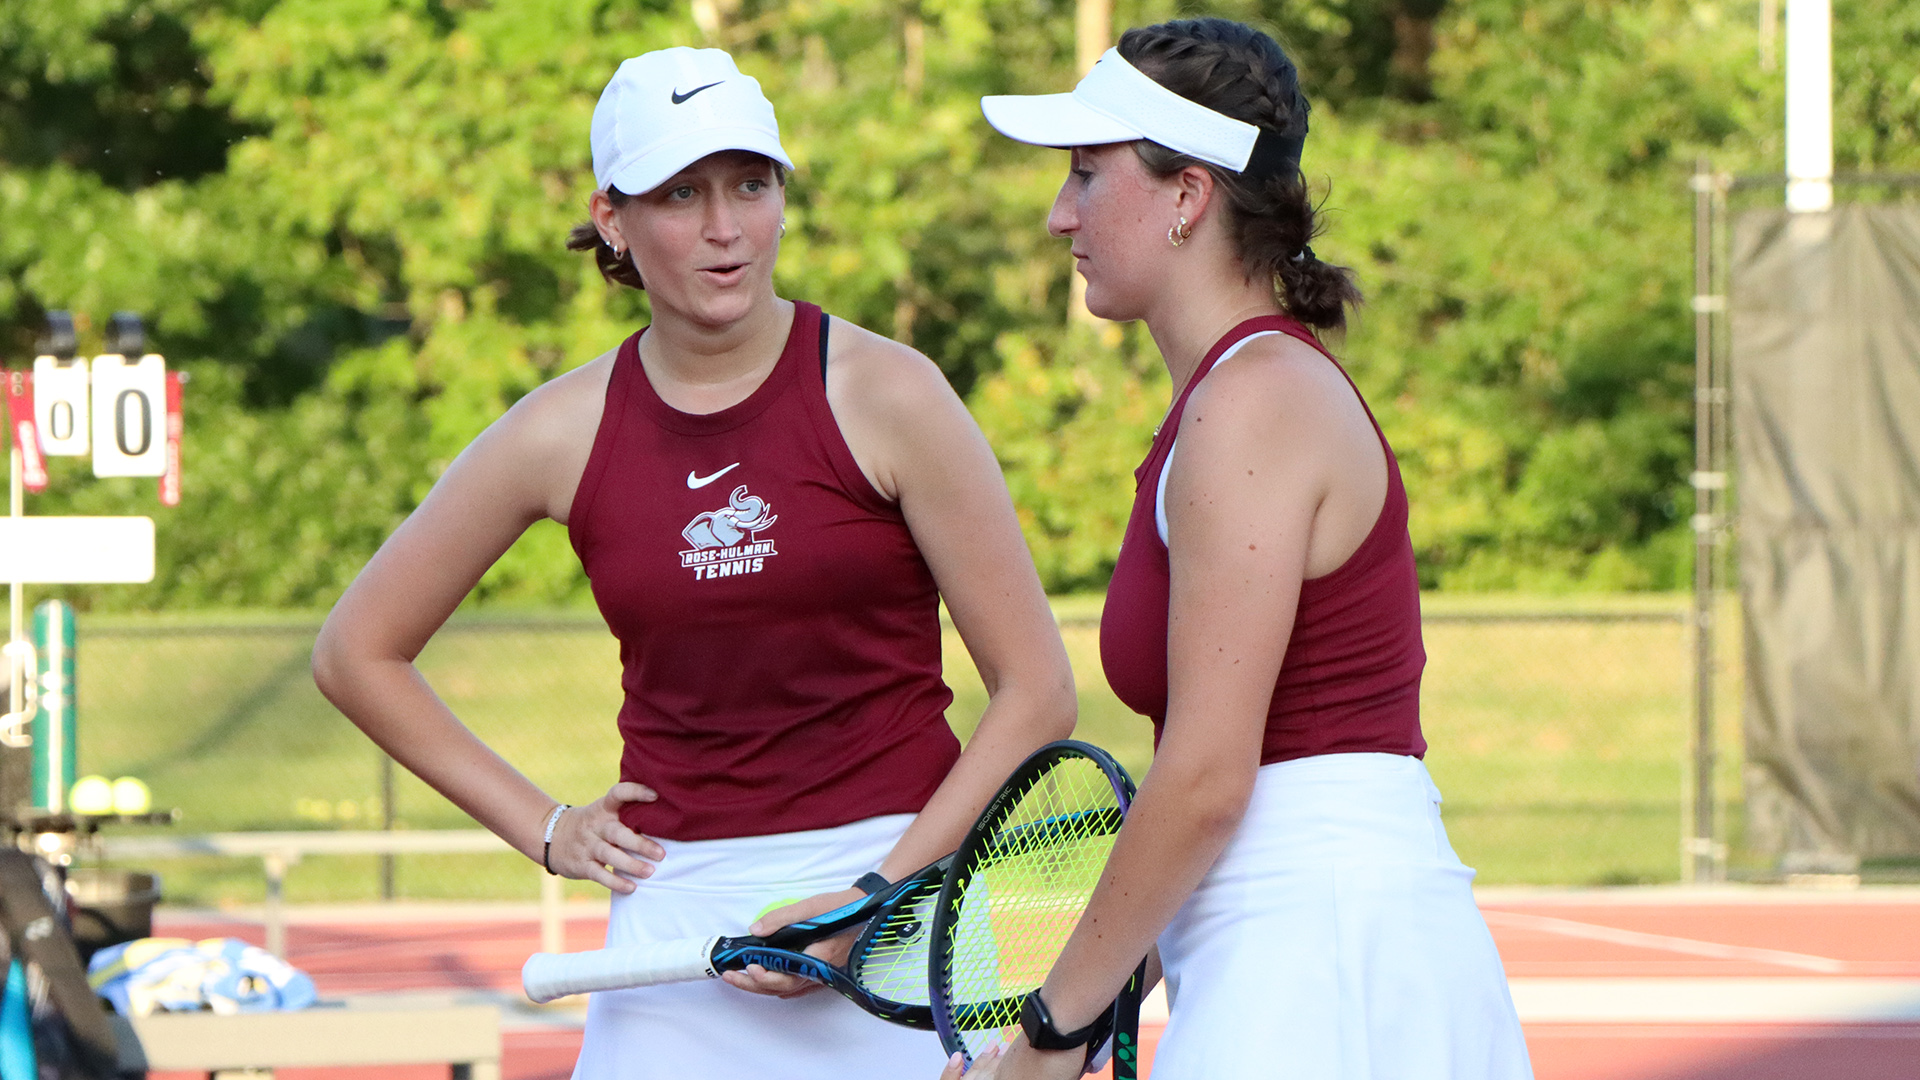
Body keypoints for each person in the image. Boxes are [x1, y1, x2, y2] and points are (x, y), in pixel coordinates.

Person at [311, 46, 1075, 1079]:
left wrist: (871, 895)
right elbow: (356, 651)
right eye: (682, 195)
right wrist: (544, 830)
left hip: (898, 897)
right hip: (677, 925)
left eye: (751, 186)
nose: (726, 230)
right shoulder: (559, 429)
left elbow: (1037, 693)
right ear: (615, 219)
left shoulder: (892, 393)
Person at [944, 18, 1533, 1080]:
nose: (1057, 214)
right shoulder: (1235, 396)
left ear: (1187, 196)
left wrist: (1043, 1040)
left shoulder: (1253, 403)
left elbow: (1211, 777)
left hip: (1328, 961)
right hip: (1296, 950)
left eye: (1087, 174)